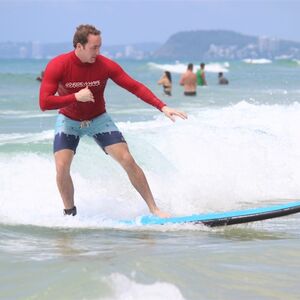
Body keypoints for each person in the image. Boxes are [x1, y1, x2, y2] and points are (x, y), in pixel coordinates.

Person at [39, 24, 187, 218]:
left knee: (127, 159)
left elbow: (134, 86)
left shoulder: (104, 65)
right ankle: (70, 215)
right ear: (79, 46)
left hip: (99, 119)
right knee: (61, 166)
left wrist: (162, 106)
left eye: (100, 46)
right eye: (94, 47)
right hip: (69, 120)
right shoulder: (58, 65)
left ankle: (154, 208)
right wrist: (75, 97)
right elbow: (44, 102)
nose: (98, 52)